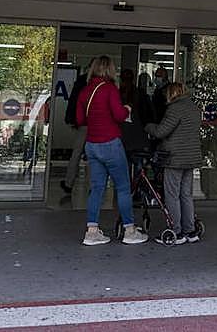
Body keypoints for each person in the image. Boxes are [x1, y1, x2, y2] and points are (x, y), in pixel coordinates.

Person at [75, 56, 147, 247]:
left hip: (92, 144)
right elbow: (119, 115)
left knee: (96, 188)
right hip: (111, 144)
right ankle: (130, 230)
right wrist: (127, 108)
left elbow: (80, 119)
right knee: (122, 188)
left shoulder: (85, 91)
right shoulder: (109, 89)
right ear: (110, 70)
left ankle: (91, 232)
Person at [145, 82, 202, 245]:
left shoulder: (174, 108)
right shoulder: (194, 107)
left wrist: (148, 126)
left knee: (172, 195)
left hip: (175, 158)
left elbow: (161, 131)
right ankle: (190, 230)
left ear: (171, 94)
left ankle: (176, 231)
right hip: (190, 158)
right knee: (186, 194)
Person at [60, 65, 89, 194]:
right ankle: (95, 187)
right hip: (97, 125)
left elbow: (74, 100)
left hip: (83, 123)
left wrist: (71, 118)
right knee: (95, 157)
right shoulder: (106, 83)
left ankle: (69, 182)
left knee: (76, 153)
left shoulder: (82, 81)